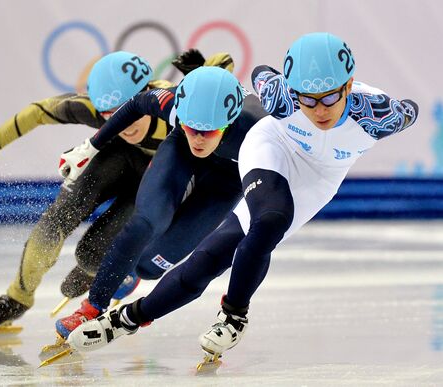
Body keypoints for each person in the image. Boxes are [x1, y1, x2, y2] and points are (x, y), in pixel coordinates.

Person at [64, 32, 420, 360]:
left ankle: (129, 316)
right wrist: (90, 146)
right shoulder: (280, 99)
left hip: (320, 177)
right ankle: (229, 317)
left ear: (349, 85)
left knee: (219, 252)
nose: (319, 110)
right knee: (268, 220)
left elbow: (410, 110)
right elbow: (261, 74)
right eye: (308, 100)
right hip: (272, 149)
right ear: (293, 91)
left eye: (329, 97)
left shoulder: (378, 116)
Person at [0, 50, 235, 327]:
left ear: (145, 92)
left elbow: (223, 65)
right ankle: (17, 298)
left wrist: (202, 75)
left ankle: (106, 269)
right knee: (58, 218)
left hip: (158, 179)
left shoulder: (169, 101)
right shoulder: (95, 111)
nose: (124, 123)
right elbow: (37, 112)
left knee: (91, 256)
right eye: (108, 114)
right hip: (120, 160)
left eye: (126, 110)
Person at [54, 65, 269, 339]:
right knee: (145, 222)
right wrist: (91, 146)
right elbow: (134, 105)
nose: (199, 139)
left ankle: (134, 273)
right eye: (192, 128)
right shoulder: (172, 102)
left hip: (228, 178)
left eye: (210, 131)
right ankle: (90, 308)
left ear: (229, 121)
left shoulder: (259, 125)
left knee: (151, 265)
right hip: (180, 152)